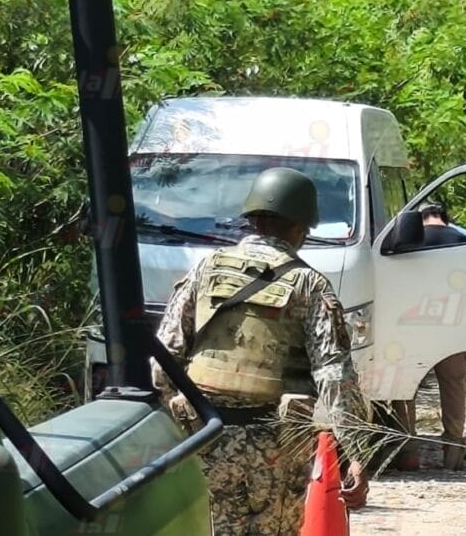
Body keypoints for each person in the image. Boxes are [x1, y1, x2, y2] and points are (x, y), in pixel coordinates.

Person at [152, 167, 370, 535]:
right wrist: (357, 453)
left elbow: (165, 358)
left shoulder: (206, 269)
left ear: (252, 219)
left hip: (202, 438)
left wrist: (168, 429)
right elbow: (335, 376)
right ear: (300, 227)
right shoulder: (309, 285)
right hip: (273, 449)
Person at [388, 201, 466, 471]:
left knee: (405, 387)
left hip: (413, 326)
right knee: (453, 386)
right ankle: (454, 452)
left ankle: (408, 451)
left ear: (418, 219)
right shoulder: (464, 242)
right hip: (453, 327)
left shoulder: (403, 239)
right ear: (445, 218)